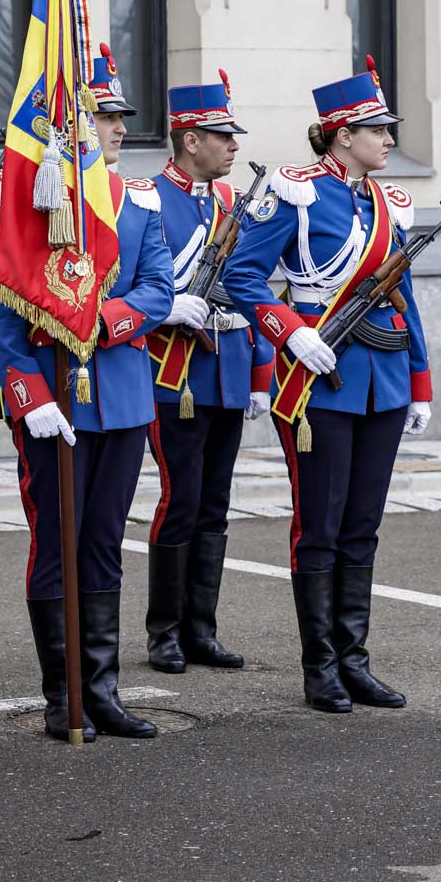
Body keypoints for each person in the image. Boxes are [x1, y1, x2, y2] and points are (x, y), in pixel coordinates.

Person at [223, 58, 432, 713]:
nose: (389, 140)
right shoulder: (294, 192)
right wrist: (289, 332)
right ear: (343, 133)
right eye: (378, 128)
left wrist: (420, 380)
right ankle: (320, 667)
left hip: (384, 380)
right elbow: (242, 276)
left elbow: (404, 296)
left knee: (363, 524)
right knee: (321, 522)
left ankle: (355, 660)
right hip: (319, 380)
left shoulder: (390, 203)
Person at [0, 43, 175, 741]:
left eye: (121, 116)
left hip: (120, 392)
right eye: (103, 115)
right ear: (69, 123)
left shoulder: (138, 202)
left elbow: (158, 290)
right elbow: (2, 312)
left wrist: (104, 320)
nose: (120, 128)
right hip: (53, 400)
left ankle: (101, 691)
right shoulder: (28, 204)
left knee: (102, 543)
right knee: (56, 544)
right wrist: (28, 395)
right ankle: (61, 698)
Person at [142, 74, 273, 673]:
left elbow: (253, 293)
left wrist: (260, 375)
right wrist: (168, 305)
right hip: (175, 374)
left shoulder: (231, 206)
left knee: (216, 503)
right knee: (182, 499)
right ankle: (164, 631)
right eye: (222, 136)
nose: (233, 146)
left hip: (227, 368)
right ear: (190, 140)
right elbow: (132, 285)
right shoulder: (145, 199)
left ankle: (202, 628)